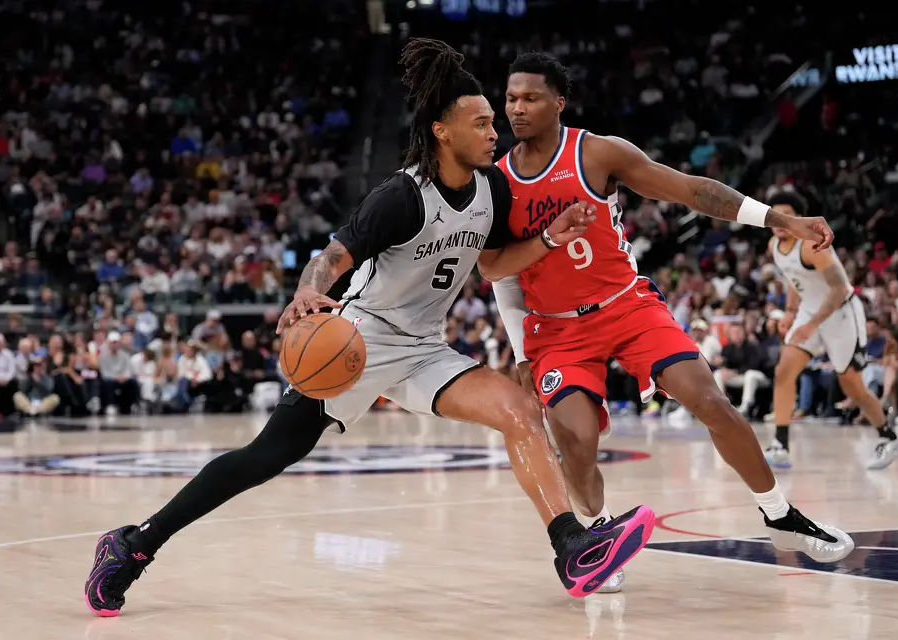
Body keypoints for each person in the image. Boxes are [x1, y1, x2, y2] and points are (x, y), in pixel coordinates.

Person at [83, 39, 655, 617]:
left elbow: (494, 264)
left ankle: (571, 548)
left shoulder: (492, 188)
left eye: (492, 122)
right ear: (442, 131)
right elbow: (332, 259)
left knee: (518, 411)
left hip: (424, 348)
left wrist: (551, 238)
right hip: (360, 340)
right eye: (480, 122)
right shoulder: (402, 197)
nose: (494, 132)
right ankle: (133, 545)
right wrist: (309, 289)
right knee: (265, 457)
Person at [490, 52, 854, 588]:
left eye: (530, 98)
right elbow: (502, 276)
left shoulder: (597, 153)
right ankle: (594, 539)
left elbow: (691, 190)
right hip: (557, 328)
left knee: (710, 399)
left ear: (558, 102)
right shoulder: (496, 183)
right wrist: (521, 353)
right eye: (511, 98)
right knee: (577, 443)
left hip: (626, 305)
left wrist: (778, 220)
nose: (517, 109)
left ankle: (780, 515)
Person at [765, 191, 898, 469]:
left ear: (799, 218)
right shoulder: (774, 245)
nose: (780, 221)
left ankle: (888, 437)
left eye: (787, 214)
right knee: (784, 371)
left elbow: (840, 289)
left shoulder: (811, 245)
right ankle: (780, 445)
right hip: (809, 310)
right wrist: (792, 313)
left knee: (852, 386)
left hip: (840, 312)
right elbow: (795, 279)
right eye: (775, 215)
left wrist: (811, 324)